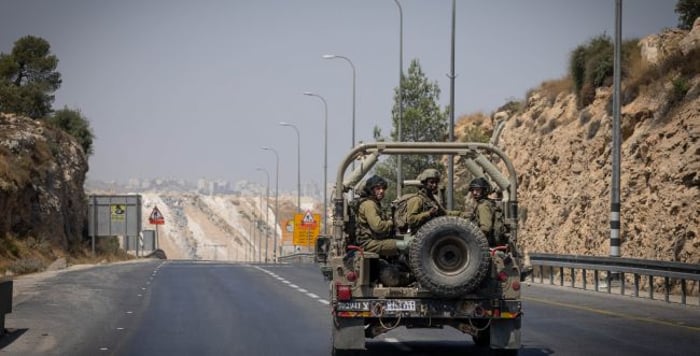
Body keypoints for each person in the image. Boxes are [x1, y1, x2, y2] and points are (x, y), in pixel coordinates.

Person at [355, 175, 406, 256]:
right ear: (371, 190)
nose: (382, 191)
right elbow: (378, 226)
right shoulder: (369, 204)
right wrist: (391, 222)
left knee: (410, 240)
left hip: (376, 240)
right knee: (407, 244)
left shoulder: (375, 204)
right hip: (369, 243)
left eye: (383, 188)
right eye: (378, 188)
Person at [468, 177, 498, 246]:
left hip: (486, 244)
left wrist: (471, 241)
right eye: (473, 190)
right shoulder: (482, 203)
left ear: (484, 191)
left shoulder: (483, 206)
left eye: (477, 190)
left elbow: (485, 228)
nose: (474, 193)